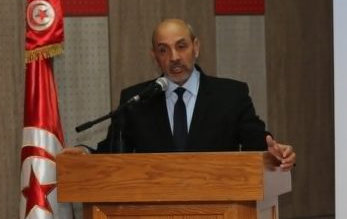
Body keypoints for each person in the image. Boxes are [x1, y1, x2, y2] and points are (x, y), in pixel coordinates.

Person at [66, 18, 295, 170]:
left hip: (219, 215)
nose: (174, 57)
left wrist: (277, 153)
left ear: (196, 47)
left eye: (181, 46)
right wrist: (85, 154)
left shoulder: (230, 95)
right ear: (155, 57)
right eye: (163, 50)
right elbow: (113, 153)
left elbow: (257, 142)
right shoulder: (136, 100)